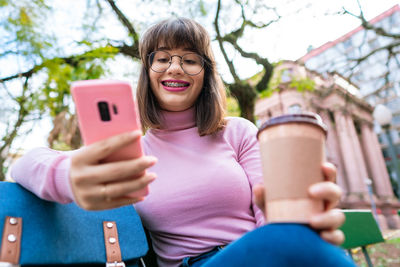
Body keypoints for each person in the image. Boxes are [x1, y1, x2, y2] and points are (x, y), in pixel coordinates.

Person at [11, 18, 356, 267]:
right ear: (147, 73)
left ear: (205, 75)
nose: (175, 68)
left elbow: (271, 212)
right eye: (162, 58)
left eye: (190, 60)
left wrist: (298, 225)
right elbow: (25, 162)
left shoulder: (237, 132)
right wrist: (65, 176)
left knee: (295, 236)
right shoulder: (130, 151)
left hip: (260, 251)